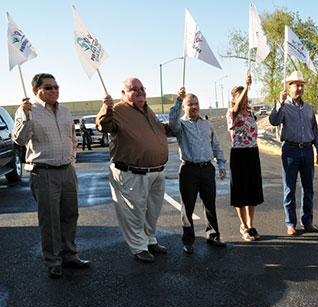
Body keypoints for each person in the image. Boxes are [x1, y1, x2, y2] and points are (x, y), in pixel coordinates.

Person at [13, 73, 90, 278]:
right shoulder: (27, 111)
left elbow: (73, 139)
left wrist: (72, 162)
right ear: (36, 90)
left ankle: (70, 255)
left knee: (70, 214)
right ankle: (53, 261)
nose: (54, 90)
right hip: (44, 173)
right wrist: (26, 116)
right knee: (51, 220)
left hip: (67, 172)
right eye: (48, 87)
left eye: (56, 87)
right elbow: (20, 140)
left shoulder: (65, 111)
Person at [96, 77, 169, 263]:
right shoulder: (118, 110)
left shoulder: (148, 111)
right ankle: (139, 247)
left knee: (152, 211)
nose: (140, 91)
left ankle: (150, 240)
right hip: (131, 172)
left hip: (156, 172)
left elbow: (159, 130)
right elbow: (103, 126)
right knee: (134, 212)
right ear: (123, 93)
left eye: (142, 88)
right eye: (134, 88)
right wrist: (106, 107)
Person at [169, 86, 227, 255]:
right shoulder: (181, 125)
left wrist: (221, 164)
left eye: (196, 104)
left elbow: (216, 145)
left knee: (210, 204)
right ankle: (188, 241)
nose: (194, 107)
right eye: (190, 104)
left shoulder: (206, 124)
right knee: (187, 207)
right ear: (184, 108)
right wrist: (178, 100)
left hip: (207, 169)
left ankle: (213, 235)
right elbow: (172, 121)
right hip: (189, 170)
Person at [269, 70, 318, 235]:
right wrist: (280, 103)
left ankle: (307, 221)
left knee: (308, 188)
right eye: (295, 85)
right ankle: (291, 223)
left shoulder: (308, 108)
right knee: (289, 188)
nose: (299, 88)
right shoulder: (283, 107)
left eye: (301, 85)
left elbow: (315, 131)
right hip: (290, 150)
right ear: (288, 87)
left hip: (307, 150)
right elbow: (273, 120)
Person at [227, 71, 264, 241]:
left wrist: (247, 89)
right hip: (239, 155)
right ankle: (243, 225)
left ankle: (251, 224)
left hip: (252, 153)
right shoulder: (232, 114)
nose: (246, 99)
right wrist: (247, 86)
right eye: (242, 96)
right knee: (241, 192)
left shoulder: (250, 114)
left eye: (247, 96)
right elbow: (236, 108)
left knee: (252, 191)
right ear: (235, 98)